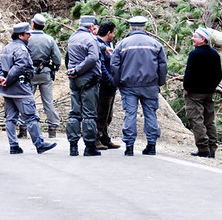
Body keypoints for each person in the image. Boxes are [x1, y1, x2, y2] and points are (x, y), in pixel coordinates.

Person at [0, 22, 57, 155]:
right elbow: (19, 67)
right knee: (31, 117)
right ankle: (39, 144)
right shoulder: (21, 50)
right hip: (20, 89)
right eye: (27, 33)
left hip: (7, 90)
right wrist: (9, 80)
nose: (29, 35)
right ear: (21, 35)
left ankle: (14, 145)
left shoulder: (6, 48)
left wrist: (1, 78)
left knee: (10, 118)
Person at [110, 15, 167, 156]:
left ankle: (129, 145)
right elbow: (163, 65)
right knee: (150, 113)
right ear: (145, 27)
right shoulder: (155, 44)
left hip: (128, 85)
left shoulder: (122, 44)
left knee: (130, 114)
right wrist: (160, 82)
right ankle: (151, 144)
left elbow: (114, 65)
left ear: (130, 27)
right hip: (150, 85)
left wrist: (117, 82)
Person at [18, 13, 63, 139]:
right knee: (48, 102)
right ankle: (52, 128)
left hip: (29, 73)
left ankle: (23, 127)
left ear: (33, 24)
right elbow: (57, 58)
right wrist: (54, 67)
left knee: (26, 100)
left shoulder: (28, 38)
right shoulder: (49, 39)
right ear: (44, 26)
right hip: (45, 73)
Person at [183, 26, 222, 158]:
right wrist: (212, 87)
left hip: (194, 93)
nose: (192, 38)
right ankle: (212, 148)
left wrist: (187, 88)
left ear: (203, 39)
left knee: (195, 119)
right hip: (209, 93)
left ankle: (203, 148)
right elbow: (219, 75)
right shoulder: (215, 54)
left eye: (195, 36)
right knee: (209, 120)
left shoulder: (194, 54)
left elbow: (189, 74)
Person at [65, 15, 102, 157]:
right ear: (92, 27)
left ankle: (73, 146)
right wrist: (79, 69)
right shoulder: (90, 39)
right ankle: (90, 146)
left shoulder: (73, 37)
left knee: (75, 112)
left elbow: (68, 57)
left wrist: (73, 71)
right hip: (88, 80)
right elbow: (93, 57)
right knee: (89, 114)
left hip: (74, 80)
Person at [94, 21, 120, 150]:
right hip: (104, 86)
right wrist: (110, 80)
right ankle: (96, 138)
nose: (114, 35)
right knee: (101, 113)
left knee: (108, 114)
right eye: (113, 33)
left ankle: (104, 136)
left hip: (110, 86)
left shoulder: (107, 45)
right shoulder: (99, 46)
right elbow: (102, 67)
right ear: (109, 33)